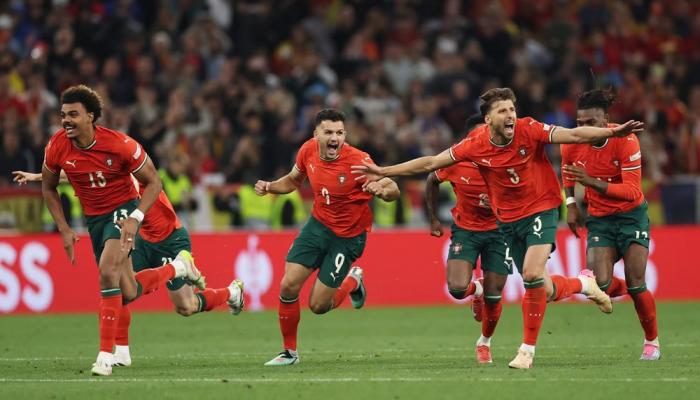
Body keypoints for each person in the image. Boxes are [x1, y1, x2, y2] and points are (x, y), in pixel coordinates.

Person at [353, 87, 644, 369]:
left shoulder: (529, 129)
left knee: (531, 274)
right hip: (508, 220)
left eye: (512, 109)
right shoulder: (475, 144)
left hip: (541, 208)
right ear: (488, 119)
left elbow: (574, 134)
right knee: (543, 288)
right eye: (502, 111)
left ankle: (526, 351)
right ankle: (583, 284)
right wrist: (384, 170)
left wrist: (612, 133)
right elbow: (431, 163)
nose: (510, 115)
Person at [41, 85, 204, 376]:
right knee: (127, 292)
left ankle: (105, 356)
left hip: (123, 210)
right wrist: (63, 228)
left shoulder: (120, 144)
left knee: (107, 273)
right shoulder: (56, 146)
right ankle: (178, 268)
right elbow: (49, 187)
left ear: (91, 116)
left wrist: (136, 217)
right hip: (94, 220)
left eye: (73, 114)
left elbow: (154, 182)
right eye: (63, 114)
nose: (66, 120)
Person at [13, 170, 245, 366]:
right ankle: (122, 352)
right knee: (119, 287)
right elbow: (78, 175)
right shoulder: (110, 174)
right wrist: (38, 176)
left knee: (186, 306)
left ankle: (231, 292)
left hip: (170, 240)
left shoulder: (131, 173)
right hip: (142, 240)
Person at [255, 109, 400, 366]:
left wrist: (381, 189)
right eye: (329, 132)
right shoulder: (307, 150)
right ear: (316, 134)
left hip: (348, 236)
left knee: (318, 306)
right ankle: (289, 352)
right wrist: (269, 186)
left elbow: (393, 189)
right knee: (288, 285)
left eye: (340, 133)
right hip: (318, 226)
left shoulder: (358, 160)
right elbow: (293, 181)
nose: (335, 138)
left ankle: (353, 281)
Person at [562, 89, 660, 361]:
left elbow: (632, 191)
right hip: (600, 219)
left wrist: (591, 182)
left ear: (605, 121)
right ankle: (629, 289)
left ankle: (651, 342)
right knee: (599, 285)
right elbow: (567, 169)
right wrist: (571, 204)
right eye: (580, 123)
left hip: (631, 216)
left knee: (637, 281)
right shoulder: (571, 141)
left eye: (591, 123)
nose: (584, 128)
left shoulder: (625, 140)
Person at [425, 114, 509, 364]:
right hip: (466, 230)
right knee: (457, 289)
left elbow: (523, 192)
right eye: (478, 133)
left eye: (488, 132)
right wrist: (433, 218)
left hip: (500, 231)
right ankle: (477, 289)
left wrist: (498, 203)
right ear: (469, 137)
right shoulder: (455, 159)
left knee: (495, 295)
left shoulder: (506, 158)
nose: (484, 138)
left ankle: (484, 342)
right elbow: (431, 179)